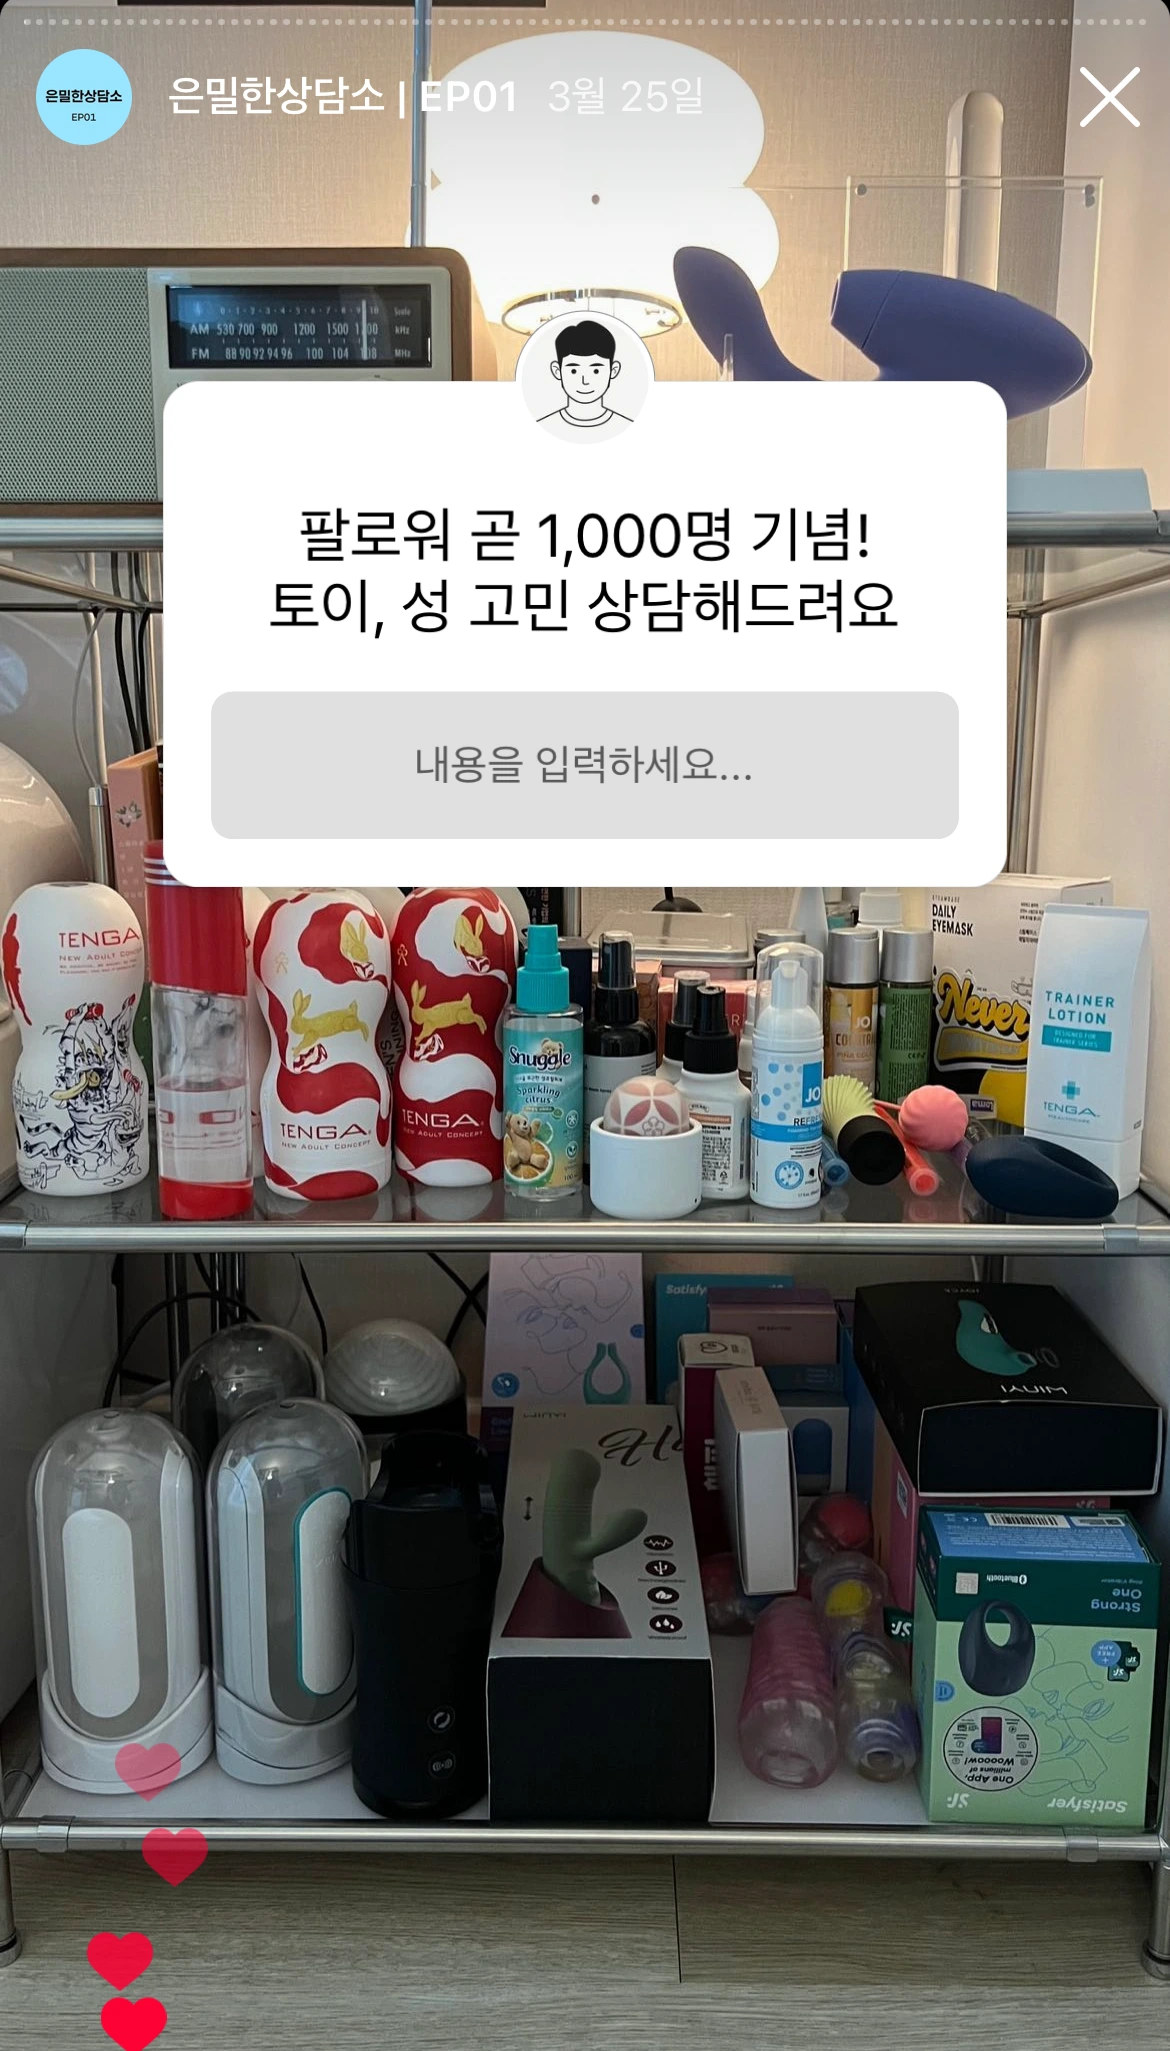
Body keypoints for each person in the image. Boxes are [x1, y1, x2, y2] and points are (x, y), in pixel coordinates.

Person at [539, 319, 632, 433]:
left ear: (613, 371)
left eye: (596, 371)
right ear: (557, 371)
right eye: (574, 371)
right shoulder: (545, 426)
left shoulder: (626, 426)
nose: (585, 381)